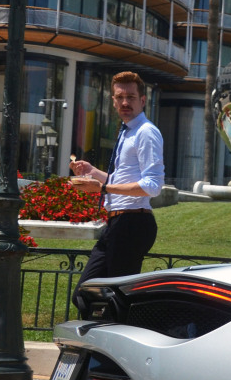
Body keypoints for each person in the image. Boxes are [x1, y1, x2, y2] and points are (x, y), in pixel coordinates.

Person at [68, 71, 164, 314]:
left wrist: (101, 187)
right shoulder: (127, 131)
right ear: (112, 100)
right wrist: (93, 172)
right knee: (84, 293)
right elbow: (121, 180)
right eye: (119, 97)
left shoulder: (145, 132)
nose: (124, 102)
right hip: (117, 223)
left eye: (130, 97)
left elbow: (152, 185)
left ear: (143, 100)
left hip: (133, 223)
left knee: (119, 302)